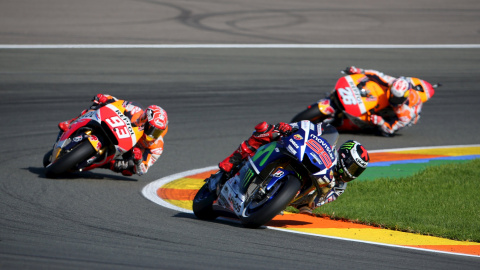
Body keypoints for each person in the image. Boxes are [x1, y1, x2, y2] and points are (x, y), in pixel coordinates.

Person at [211, 121, 369, 215]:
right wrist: (290, 129)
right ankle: (231, 162)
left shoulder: (340, 186)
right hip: (296, 151)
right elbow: (310, 129)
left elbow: (318, 202)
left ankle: (268, 198)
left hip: (299, 194)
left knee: (307, 204)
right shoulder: (330, 150)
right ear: (344, 157)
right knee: (265, 130)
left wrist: (309, 203)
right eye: (353, 167)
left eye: (357, 171)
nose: (352, 172)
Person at [57, 94, 168, 176]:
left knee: (129, 170)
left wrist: (138, 160)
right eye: (153, 129)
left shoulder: (157, 147)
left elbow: (142, 170)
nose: (154, 134)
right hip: (118, 129)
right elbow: (117, 102)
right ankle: (72, 121)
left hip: (130, 149)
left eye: (158, 131)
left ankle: (104, 163)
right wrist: (105, 98)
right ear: (145, 119)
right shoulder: (135, 110)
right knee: (97, 106)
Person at [343, 66, 424, 136]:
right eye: (392, 95)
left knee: (376, 130)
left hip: (405, 117)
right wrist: (359, 71)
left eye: (396, 98)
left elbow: (390, 129)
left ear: (404, 97)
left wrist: (381, 122)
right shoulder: (392, 82)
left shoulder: (406, 114)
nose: (393, 99)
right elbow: (376, 75)